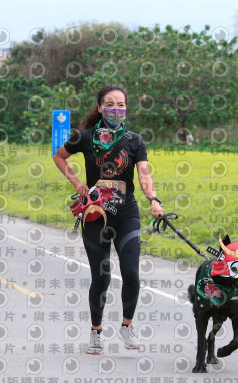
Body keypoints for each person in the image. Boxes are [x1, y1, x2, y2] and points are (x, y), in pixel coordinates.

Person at [53, 85, 164, 354]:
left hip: (126, 213)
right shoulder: (85, 137)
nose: (117, 109)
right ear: (100, 107)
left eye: (122, 105)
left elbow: (144, 175)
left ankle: (127, 325)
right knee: (101, 276)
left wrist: (154, 199)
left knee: (132, 274)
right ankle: (96, 332)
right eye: (111, 104)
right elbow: (59, 156)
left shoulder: (135, 141)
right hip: (95, 215)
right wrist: (78, 182)